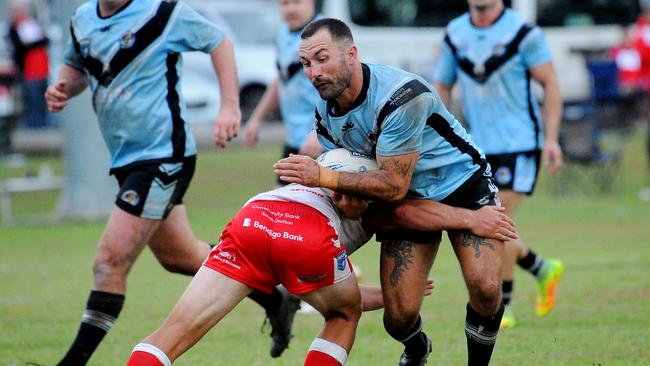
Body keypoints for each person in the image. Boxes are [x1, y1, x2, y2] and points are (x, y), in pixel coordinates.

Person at [44, 0, 296, 364]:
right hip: (126, 159)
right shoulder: (82, 18)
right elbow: (78, 71)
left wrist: (230, 106)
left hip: (162, 156)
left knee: (109, 262)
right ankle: (275, 297)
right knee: (180, 257)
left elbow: (218, 41)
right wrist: (63, 89)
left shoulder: (163, 13)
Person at [125, 150, 518, 366]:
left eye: (352, 193)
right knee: (343, 315)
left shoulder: (327, 173)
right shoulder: (373, 200)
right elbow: (413, 214)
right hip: (303, 238)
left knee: (170, 334)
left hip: (252, 219)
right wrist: (472, 217)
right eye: (340, 191)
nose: (345, 199)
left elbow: (411, 214)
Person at [275, 18, 507, 366]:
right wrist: (349, 204)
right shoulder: (327, 114)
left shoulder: (401, 97)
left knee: (486, 288)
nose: (313, 72)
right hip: (407, 199)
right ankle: (416, 349)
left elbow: (392, 183)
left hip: (462, 183)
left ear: (351, 54)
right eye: (307, 64)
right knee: (398, 316)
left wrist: (322, 175)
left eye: (322, 59)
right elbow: (364, 179)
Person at [433, 0, 565, 329]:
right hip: (476, 148)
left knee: (495, 221)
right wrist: (439, 137)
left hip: (520, 144)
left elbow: (550, 83)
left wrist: (551, 138)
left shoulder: (523, 32)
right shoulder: (455, 33)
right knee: (489, 223)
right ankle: (539, 267)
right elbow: (442, 87)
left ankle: (502, 306)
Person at [243, 0, 324, 169]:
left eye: (297, 2)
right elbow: (282, 79)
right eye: (285, 3)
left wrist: (322, 132)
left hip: (321, 140)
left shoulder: (326, 32)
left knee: (323, 195)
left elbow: (343, 87)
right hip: (294, 137)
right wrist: (257, 119)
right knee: (280, 193)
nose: (291, 8)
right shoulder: (282, 35)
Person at [8, 0, 51, 128]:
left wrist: (33, 43)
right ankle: (33, 128)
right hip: (28, 71)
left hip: (42, 69)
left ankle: (42, 127)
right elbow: (21, 47)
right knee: (32, 101)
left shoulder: (33, 24)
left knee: (42, 100)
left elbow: (45, 40)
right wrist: (36, 43)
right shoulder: (14, 29)